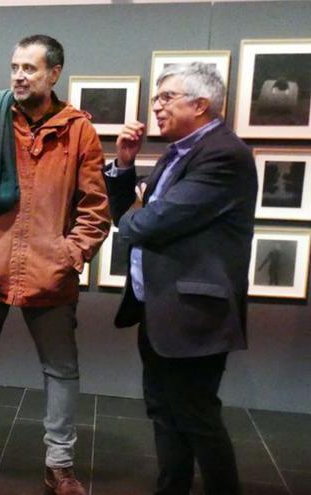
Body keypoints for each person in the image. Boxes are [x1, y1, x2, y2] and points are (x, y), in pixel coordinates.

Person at [0, 35, 110, 495]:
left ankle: (59, 464)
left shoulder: (79, 131)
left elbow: (96, 208)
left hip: (49, 274)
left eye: (30, 68)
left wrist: (69, 255)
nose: (19, 75)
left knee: (61, 370)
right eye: (15, 66)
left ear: (54, 73)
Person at [105, 62, 257, 495]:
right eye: (155, 97)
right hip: (159, 309)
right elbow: (129, 218)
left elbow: (143, 227)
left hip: (193, 316)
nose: (155, 106)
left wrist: (136, 220)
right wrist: (123, 165)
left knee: (197, 419)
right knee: (163, 412)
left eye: (166, 97)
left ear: (201, 103)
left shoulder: (223, 155)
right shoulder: (179, 154)